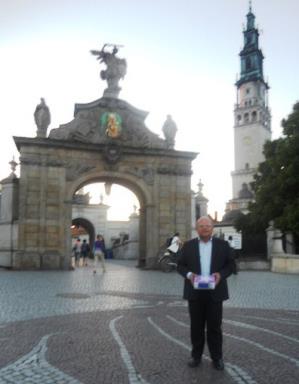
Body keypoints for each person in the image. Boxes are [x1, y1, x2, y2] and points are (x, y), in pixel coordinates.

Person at [177, 216, 234, 371]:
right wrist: (189, 275)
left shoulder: (223, 245)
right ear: (197, 228)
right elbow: (180, 266)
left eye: (208, 225)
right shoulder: (188, 246)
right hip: (194, 292)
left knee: (215, 327)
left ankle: (217, 358)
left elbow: (231, 265)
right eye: (201, 226)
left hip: (215, 291)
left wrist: (221, 275)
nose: (205, 228)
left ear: (212, 228)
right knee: (196, 327)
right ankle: (196, 356)